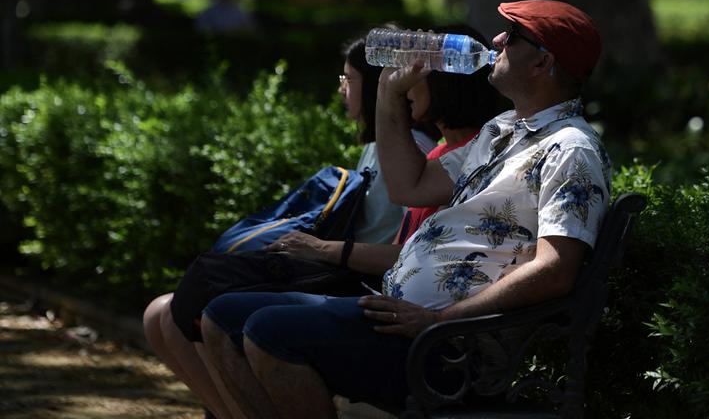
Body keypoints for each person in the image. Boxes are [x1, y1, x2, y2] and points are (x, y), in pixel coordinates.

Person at [201, 0, 613, 418]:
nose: (497, 39)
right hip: (406, 318)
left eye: (514, 35)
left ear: (542, 63)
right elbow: (407, 186)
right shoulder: (501, 129)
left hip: (450, 347)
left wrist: (439, 320)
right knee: (220, 317)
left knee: (268, 332)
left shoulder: (571, 150)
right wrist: (389, 91)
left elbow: (556, 270)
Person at [198, 25, 502, 419]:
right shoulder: (444, 153)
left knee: (260, 327)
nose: (407, 85)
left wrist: (326, 250)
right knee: (217, 312)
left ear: (446, 82)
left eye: (418, 74)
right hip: (390, 303)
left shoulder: (473, 153)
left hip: (428, 334)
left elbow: (403, 198)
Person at [141, 33, 443, 419]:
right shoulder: (381, 144)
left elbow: (402, 247)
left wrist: (322, 250)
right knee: (165, 310)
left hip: (357, 281)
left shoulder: (412, 150)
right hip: (338, 270)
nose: (340, 88)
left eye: (348, 79)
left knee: (197, 306)